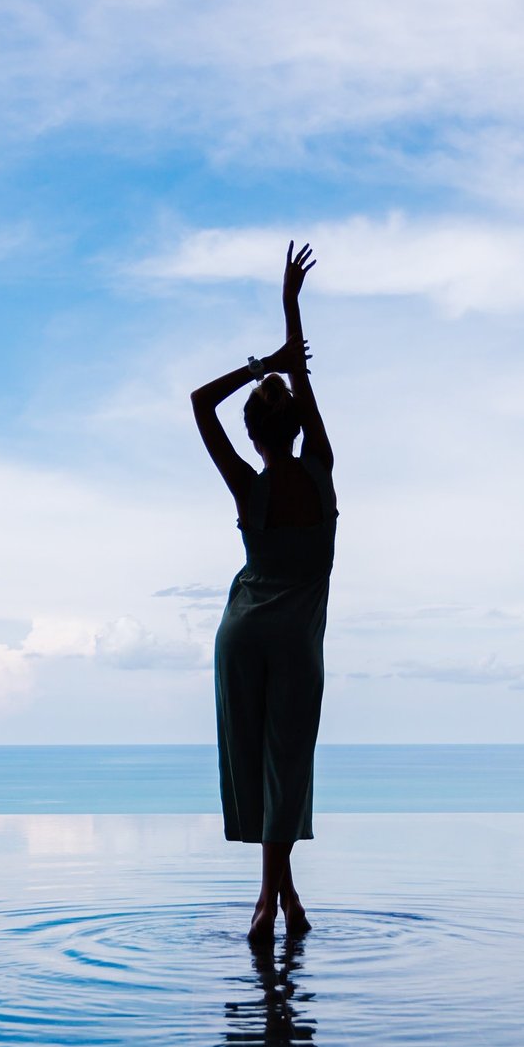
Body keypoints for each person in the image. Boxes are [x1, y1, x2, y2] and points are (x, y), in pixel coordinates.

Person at [190, 242, 336, 943]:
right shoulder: (320, 470)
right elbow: (304, 387)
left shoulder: (248, 486)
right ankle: (271, 902)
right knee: (289, 766)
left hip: (242, 631)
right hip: (296, 641)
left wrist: (261, 365)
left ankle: (281, 899)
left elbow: (200, 403)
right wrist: (290, 308)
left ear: (252, 435)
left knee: (258, 766)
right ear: (299, 427)